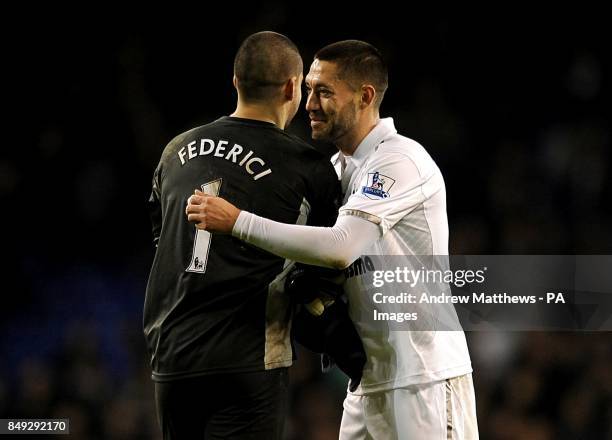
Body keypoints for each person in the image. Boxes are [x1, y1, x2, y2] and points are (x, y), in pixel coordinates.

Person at [186, 40, 479, 439]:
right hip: (367, 378)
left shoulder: (400, 160)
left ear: (365, 96)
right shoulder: (336, 169)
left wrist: (238, 221)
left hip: (423, 377)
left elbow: (341, 248)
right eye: (308, 89)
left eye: (324, 91)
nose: (309, 103)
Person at [144, 31, 341, 440]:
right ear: (291, 88)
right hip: (248, 359)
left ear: (235, 81)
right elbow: (323, 263)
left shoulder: (175, 151)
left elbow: (163, 242)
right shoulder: (309, 168)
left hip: (173, 356)